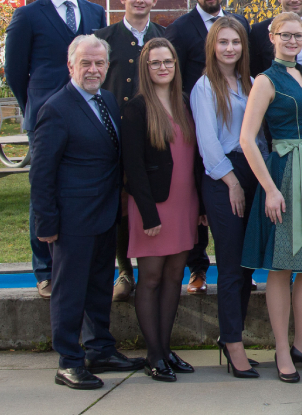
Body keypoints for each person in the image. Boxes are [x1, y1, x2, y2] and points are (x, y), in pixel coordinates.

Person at [31, 35, 145, 389]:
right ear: (71, 66)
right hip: (71, 222)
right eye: (86, 63)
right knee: (69, 292)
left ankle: (100, 349)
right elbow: (41, 173)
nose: (93, 69)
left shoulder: (107, 100)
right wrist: (47, 223)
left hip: (104, 215)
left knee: (98, 286)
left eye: (99, 63)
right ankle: (69, 360)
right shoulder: (55, 108)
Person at [240, 13, 302, 383]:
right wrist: (269, 188)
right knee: (282, 266)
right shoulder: (266, 81)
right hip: (283, 174)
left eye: (298, 35)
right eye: (285, 35)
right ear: (272, 37)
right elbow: (247, 139)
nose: (293, 40)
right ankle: (282, 350)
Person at [7, 0, 107, 299]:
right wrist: (35, 108)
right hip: (48, 118)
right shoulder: (27, 15)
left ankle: (83, 260)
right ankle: (44, 268)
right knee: (44, 187)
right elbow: (16, 73)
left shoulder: (95, 13)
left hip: (88, 116)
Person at [165, 0, 251, 295]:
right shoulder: (180, 28)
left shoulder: (237, 22)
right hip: (195, 123)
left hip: (234, 126)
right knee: (199, 203)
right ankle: (198, 267)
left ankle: (243, 274)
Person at [121, 38, 201, 382]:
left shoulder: (185, 102)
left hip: (185, 204)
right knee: (150, 279)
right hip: (152, 207)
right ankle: (153, 355)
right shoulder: (137, 108)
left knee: (173, 278)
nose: (163, 67)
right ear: (146, 67)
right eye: (155, 63)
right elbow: (133, 167)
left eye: (168, 61)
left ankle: (165, 349)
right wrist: (148, 214)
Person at [191, 16, 266, 378]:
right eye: (223, 42)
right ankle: (232, 342)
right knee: (232, 266)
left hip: (254, 173)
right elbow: (207, 146)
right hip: (223, 178)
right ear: (212, 47)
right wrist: (233, 183)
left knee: (248, 265)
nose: (230, 48)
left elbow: (259, 135)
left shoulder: (251, 83)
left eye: (235, 42)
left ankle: (233, 337)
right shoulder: (205, 87)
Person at [95, 0, 167, 302]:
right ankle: (124, 269)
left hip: (155, 137)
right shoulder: (102, 39)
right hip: (112, 136)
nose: (140, 0)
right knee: (121, 206)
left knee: (155, 199)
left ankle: (158, 263)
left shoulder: (165, 36)